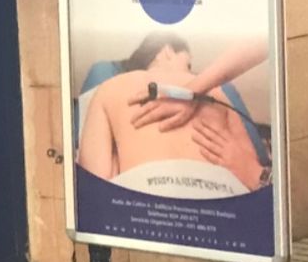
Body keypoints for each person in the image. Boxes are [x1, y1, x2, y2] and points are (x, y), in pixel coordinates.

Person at [77, 33, 270, 192]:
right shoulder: (217, 92)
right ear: (167, 51)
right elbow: (248, 165)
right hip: (222, 199)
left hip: (142, 199)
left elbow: (96, 187)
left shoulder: (109, 88)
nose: (192, 73)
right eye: (189, 65)